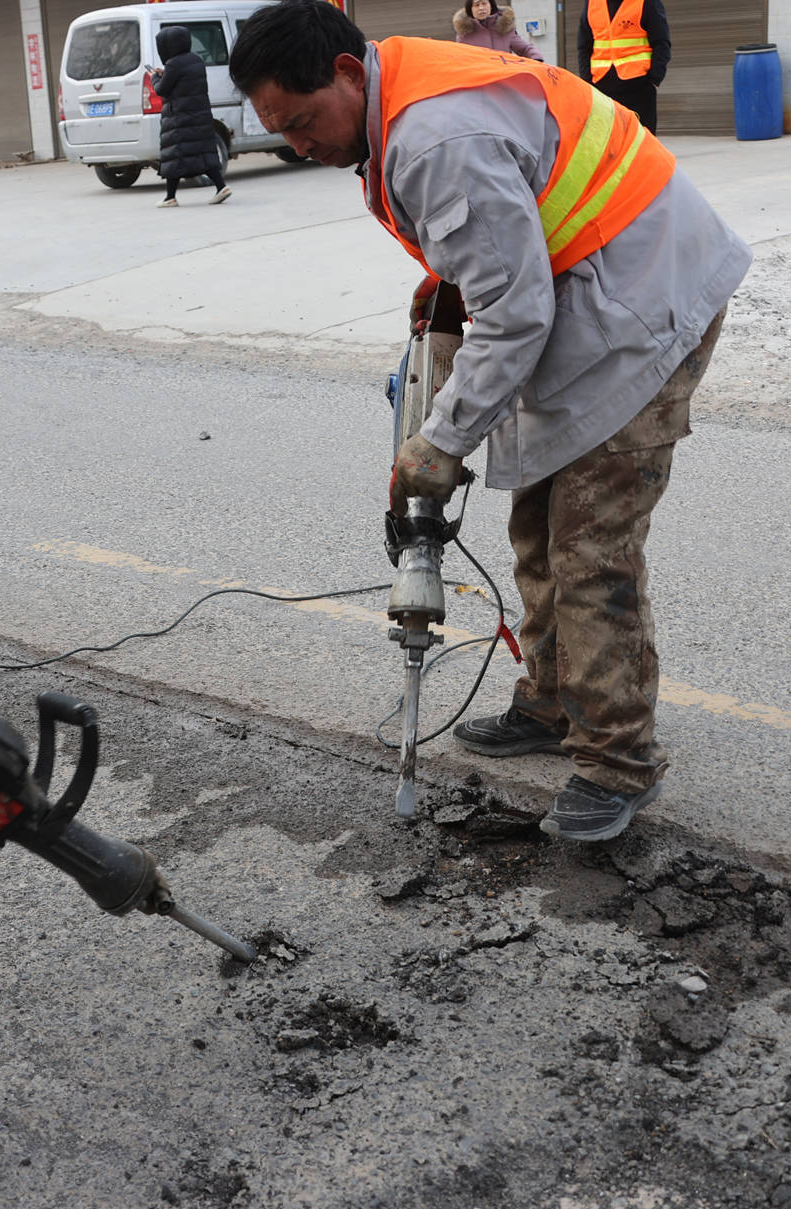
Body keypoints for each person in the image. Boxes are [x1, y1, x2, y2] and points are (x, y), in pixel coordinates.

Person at [231, 2, 749, 841]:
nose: (300, 146)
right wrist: (452, 279)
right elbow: (511, 233)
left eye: (303, 123)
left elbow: (514, 313)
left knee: (588, 545)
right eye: (280, 135)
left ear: (347, 74)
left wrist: (438, 443)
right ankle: (550, 701)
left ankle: (618, 759)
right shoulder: (395, 95)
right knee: (536, 519)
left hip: (647, 294)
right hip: (596, 275)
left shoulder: (433, 140)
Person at [154, 25, 232, 205]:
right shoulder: (196, 60)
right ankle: (221, 187)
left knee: (175, 156)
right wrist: (165, 74)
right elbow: (183, 82)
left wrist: (155, 77)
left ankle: (170, 197)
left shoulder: (173, 64)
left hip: (179, 119)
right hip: (199, 116)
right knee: (204, 153)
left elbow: (162, 89)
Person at [577, 0, 669, 133]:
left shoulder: (646, 2)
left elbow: (661, 43)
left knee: (641, 144)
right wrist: (587, 82)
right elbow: (584, 46)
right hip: (601, 89)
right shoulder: (592, 3)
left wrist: (654, 79)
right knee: (607, 144)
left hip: (638, 89)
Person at [452, 0, 546, 63]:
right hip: (477, 84)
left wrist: (537, 58)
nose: (481, 8)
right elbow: (460, 60)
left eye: (484, 3)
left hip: (503, 82)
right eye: (476, 5)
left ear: (491, 5)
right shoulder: (464, 33)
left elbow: (524, 49)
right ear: (470, 9)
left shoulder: (504, 28)